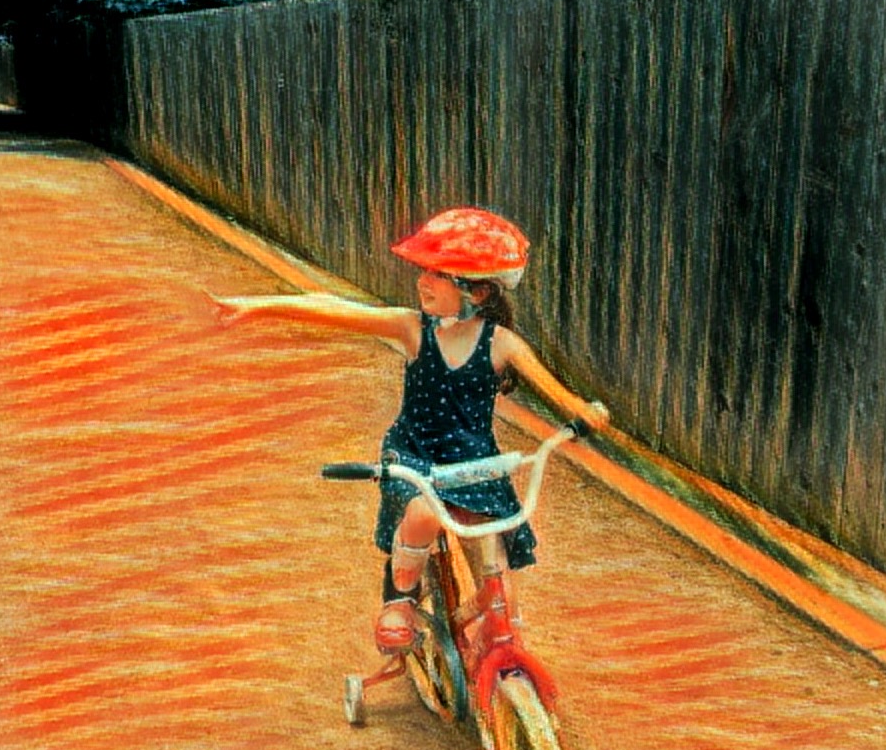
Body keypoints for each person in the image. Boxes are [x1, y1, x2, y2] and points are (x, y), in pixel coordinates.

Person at [214, 206, 609, 652]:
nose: (423, 282)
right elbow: (336, 309)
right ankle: (400, 599)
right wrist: (259, 306)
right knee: (422, 514)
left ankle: (487, 649)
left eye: (438, 275)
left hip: (475, 465)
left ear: (478, 292)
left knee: (498, 581)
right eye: (425, 271)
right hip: (416, 454)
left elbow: (560, 396)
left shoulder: (502, 344)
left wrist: (583, 412)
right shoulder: (413, 329)